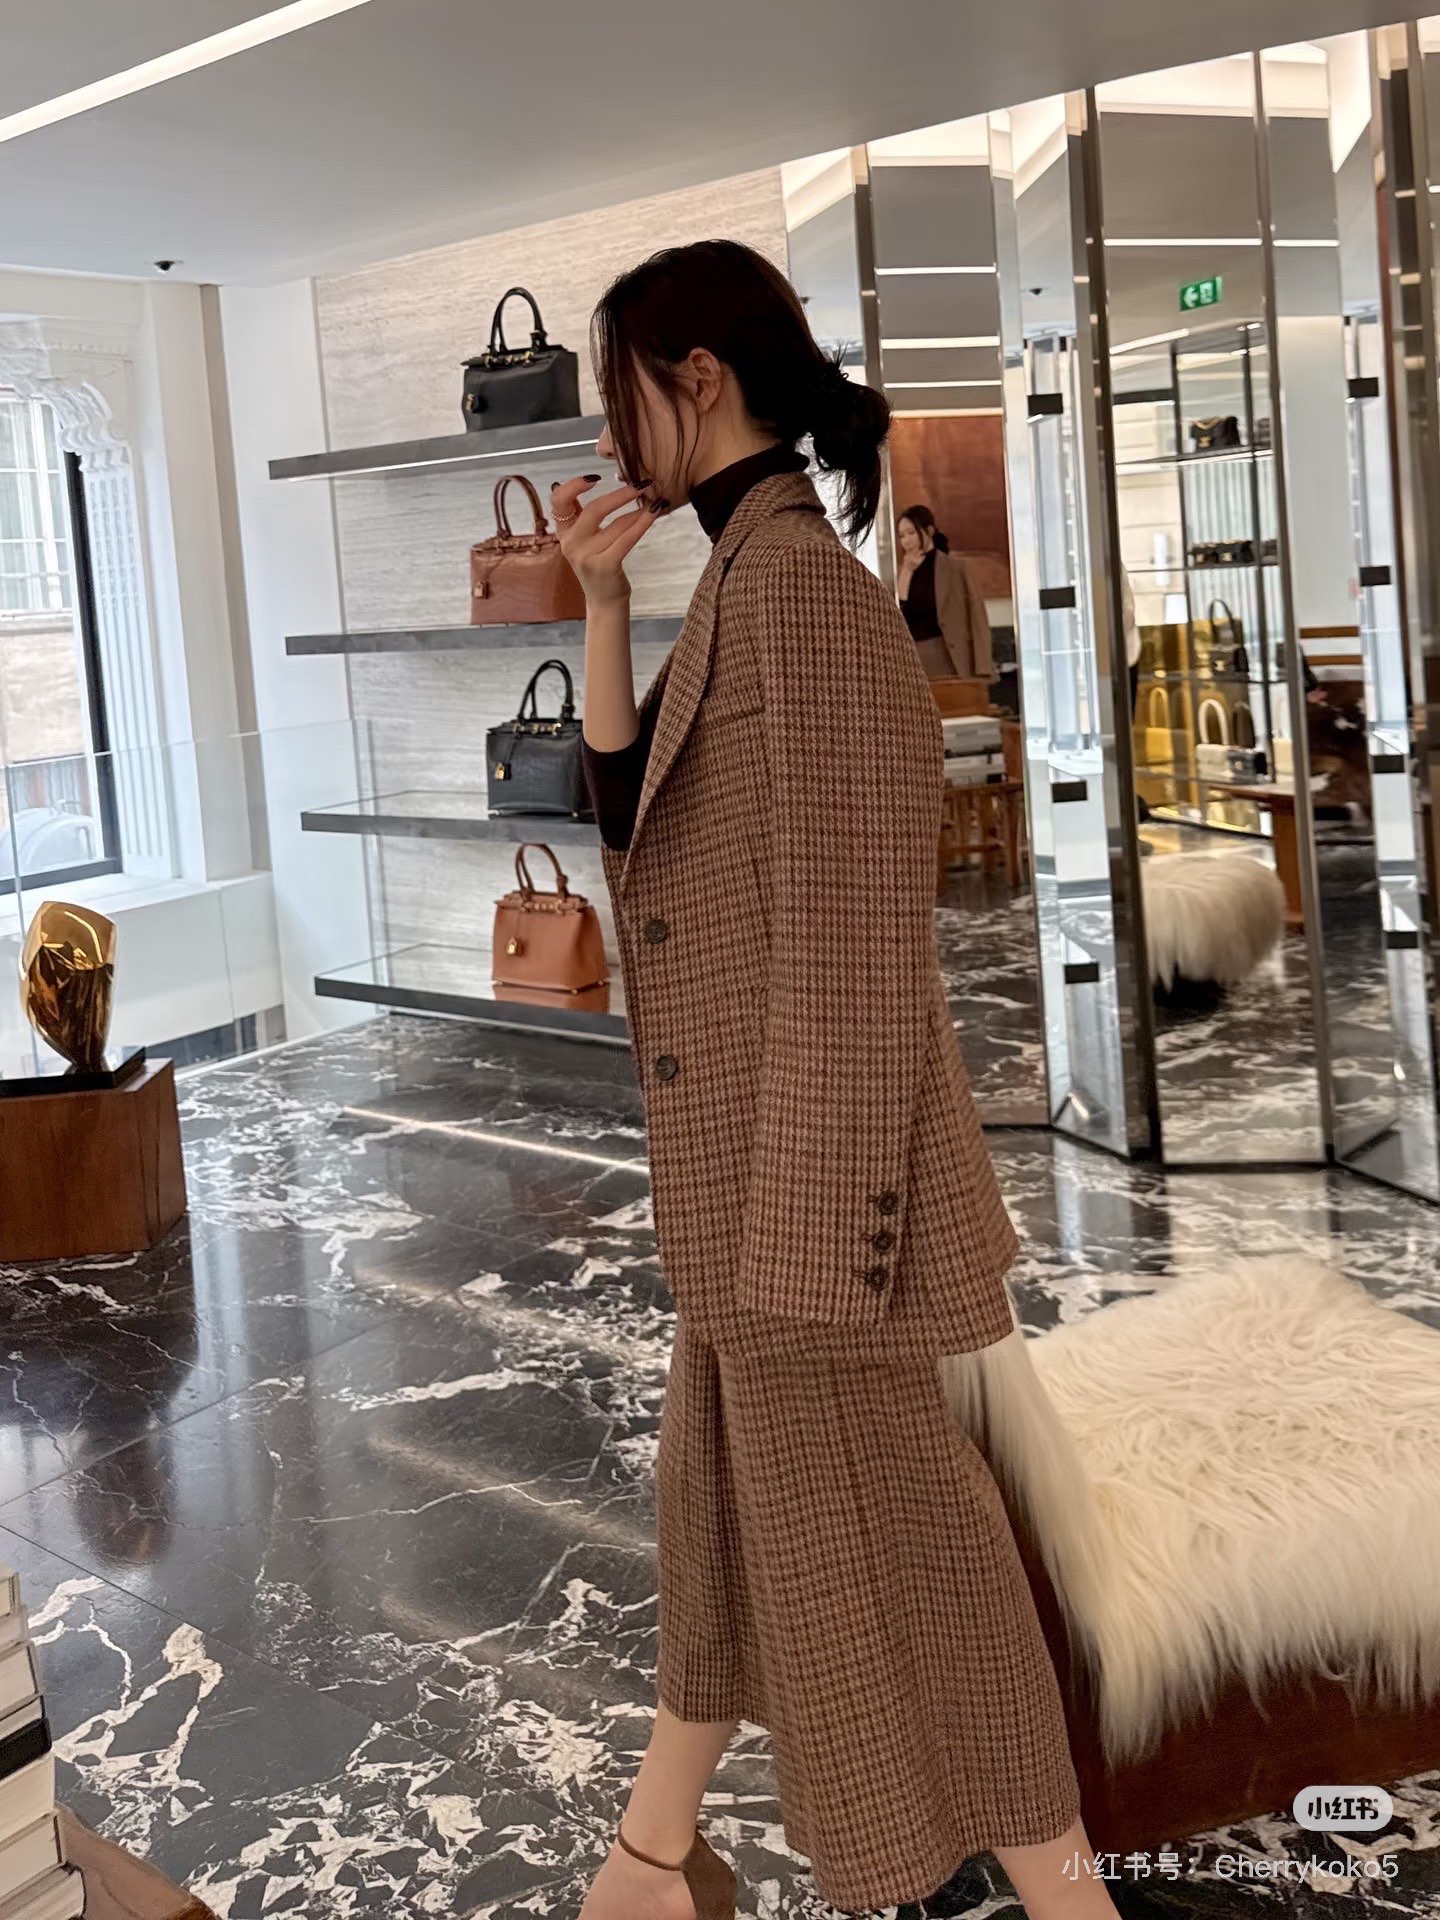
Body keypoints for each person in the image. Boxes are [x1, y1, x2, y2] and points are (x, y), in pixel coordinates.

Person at [550, 237, 1117, 1920]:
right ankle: (654, 1859)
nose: (611, 433)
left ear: (698, 377)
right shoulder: (747, 575)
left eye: (620, 393)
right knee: (722, 1515)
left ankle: (1064, 1893)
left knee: (917, 1565)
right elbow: (631, 814)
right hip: (747, 1180)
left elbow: (864, 949)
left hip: (808, 1203)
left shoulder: (799, 592)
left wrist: (811, 1243)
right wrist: (601, 609)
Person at [896, 502, 996, 681]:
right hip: (913, 663)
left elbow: (977, 618)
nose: (906, 540)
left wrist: (983, 667)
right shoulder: (901, 572)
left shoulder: (956, 568)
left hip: (950, 659)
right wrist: (906, 573)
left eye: (911, 533)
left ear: (929, 530)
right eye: (902, 535)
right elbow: (899, 618)